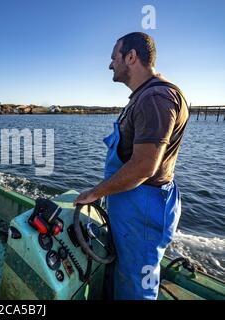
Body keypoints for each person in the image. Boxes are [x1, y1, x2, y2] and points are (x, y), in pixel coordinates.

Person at [73, 32, 189, 300]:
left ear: (131, 57)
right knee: (124, 275)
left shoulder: (155, 98)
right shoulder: (144, 96)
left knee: (137, 287)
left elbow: (144, 167)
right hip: (132, 205)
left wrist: (95, 193)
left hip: (144, 208)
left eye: (114, 57)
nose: (110, 64)